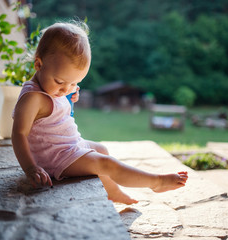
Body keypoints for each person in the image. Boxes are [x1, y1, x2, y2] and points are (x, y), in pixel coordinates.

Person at [11, 21, 188, 205]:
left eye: (74, 83)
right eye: (61, 82)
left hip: (68, 146)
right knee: (106, 164)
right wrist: (31, 168)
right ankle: (156, 182)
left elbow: (53, 114)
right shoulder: (33, 98)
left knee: (102, 150)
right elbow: (18, 133)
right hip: (55, 158)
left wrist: (68, 96)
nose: (66, 89)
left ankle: (112, 192)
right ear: (39, 64)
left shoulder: (51, 88)